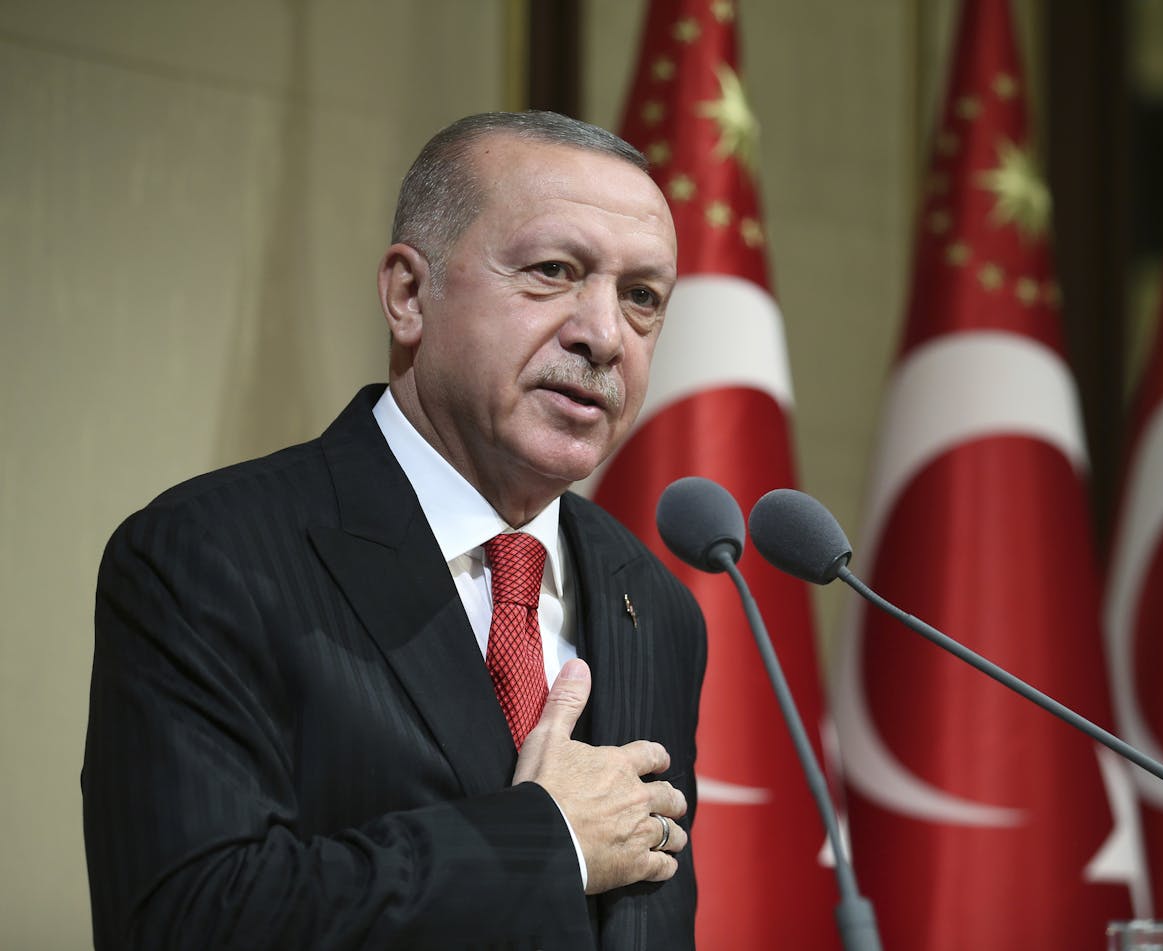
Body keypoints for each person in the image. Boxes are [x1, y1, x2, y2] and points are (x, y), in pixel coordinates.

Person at [82, 111, 706, 949]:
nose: (603, 335)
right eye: (555, 270)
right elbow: (187, 917)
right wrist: (541, 840)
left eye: (641, 298)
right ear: (410, 295)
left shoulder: (655, 605)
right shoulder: (207, 557)